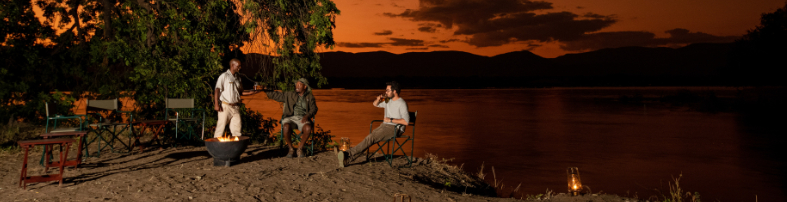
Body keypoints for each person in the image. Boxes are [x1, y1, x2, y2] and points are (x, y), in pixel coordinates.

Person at [338, 81, 409, 167]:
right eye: (386, 90)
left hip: (395, 129)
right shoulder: (388, 101)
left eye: (387, 90)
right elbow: (375, 104)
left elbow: (406, 121)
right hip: (384, 126)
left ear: (394, 91)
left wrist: (390, 120)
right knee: (369, 138)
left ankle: (347, 154)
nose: (386, 92)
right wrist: (378, 99)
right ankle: (348, 159)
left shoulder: (402, 103)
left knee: (370, 138)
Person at [264, 78, 318, 158]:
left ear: (305, 87)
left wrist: (307, 115)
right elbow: (276, 95)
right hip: (290, 117)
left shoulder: (309, 97)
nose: (297, 86)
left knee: (308, 128)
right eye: (296, 84)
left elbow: (314, 108)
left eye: (299, 84)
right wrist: (266, 90)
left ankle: (300, 148)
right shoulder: (289, 94)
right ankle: (291, 149)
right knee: (286, 126)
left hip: (302, 118)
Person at [213, 58, 258, 138]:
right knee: (221, 127)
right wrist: (216, 104)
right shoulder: (224, 76)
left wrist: (251, 92)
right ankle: (216, 147)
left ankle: (236, 148)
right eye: (238, 66)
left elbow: (240, 92)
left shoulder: (238, 78)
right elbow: (217, 89)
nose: (239, 67)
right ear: (232, 65)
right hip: (225, 106)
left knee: (237, 129)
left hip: (236, 106)